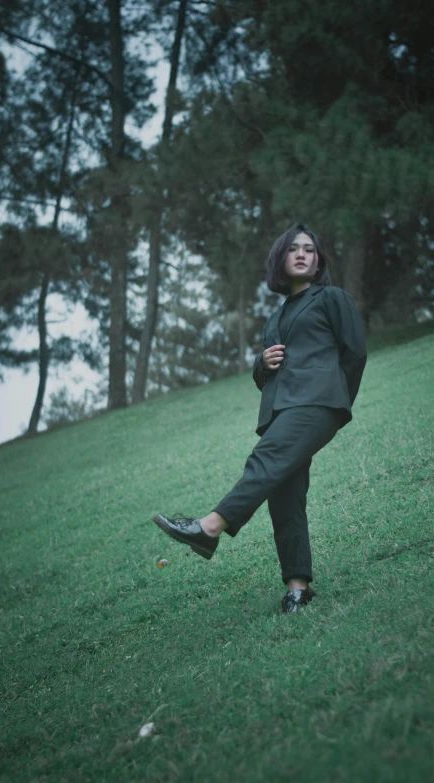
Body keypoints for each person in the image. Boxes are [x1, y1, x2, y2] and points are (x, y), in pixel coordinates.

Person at [153, 223, 367, 613]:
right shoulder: (276, 317)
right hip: (281, 410)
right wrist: (261, 363)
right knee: (284, 498)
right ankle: (298, 589)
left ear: (318, 261)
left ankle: (210, 528)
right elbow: (266, 376)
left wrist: (336, 401)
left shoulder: (332, 298)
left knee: (263, 463)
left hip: (318, 404)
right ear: (280, 260)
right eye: (294, 249)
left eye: (310, 249)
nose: (303, 254)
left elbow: (355, 353)